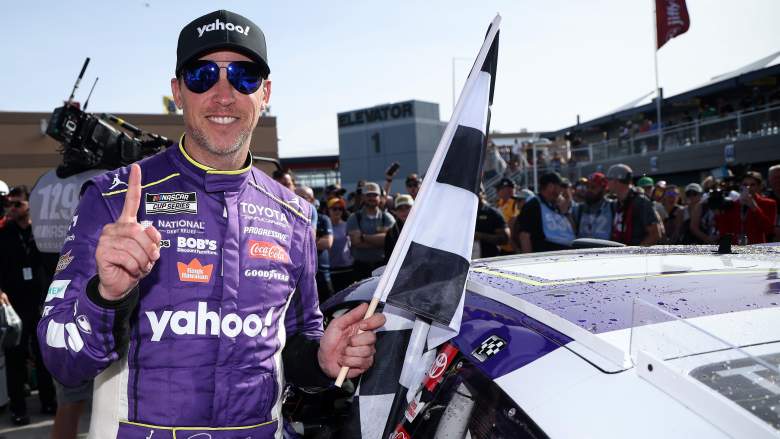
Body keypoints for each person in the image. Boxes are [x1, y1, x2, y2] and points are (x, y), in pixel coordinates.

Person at [37, 10, 384, 438]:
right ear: (178, 92)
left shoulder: (294, 214)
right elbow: (62, 362)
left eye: (244, 75)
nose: (224, 94)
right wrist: (105, 295)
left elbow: (298, 340)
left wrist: (321, 359)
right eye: (203, 75)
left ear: (266, 92)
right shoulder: (113, 198)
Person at [0, 186, 58, 425]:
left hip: (41, 301)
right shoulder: (3, 233)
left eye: (17, 204)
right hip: (14, 303)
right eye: (9, 205)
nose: (11, 209)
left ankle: (48, 401)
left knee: (44, 355)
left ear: (28, 205)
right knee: (15, 357)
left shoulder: (42, 232)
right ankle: (18, 409)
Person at [514, 172, 575, 253]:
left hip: (568, 254)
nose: (561, 191)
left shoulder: (558, 204)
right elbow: (524, 236)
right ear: (550, 186)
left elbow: (573, 231)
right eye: (559, 187)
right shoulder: (533, 205)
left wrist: (566, 213)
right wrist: (529, 259)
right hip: (548, 257)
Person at [347, 181, 395, 281]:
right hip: (360, 267)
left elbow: (389, 240)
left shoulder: (387, 218)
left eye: (374, 195)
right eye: (368, 195)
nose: (372, 198)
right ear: (363, 197)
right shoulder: (354, 217)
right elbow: (356, 242)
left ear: (380, 197)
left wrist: (363, 237)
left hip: (382, 266)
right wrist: (379, 240)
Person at [715, 171, 777, 245]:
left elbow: (769, 230)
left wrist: (754, 207)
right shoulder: (733, 204)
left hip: (758, 248)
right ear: (741, 186)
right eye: (745, 185)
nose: (748, 188)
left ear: (759, 186)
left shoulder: (769, 203)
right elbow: (724, 231)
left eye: (752, 185)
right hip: (736, 248)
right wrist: (719, 213)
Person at [606, 164, 661, 246]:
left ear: (616, 181)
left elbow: (655, 235)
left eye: (608, 179)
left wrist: (635, 254)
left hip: (634, 256)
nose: (607, 183)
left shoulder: (641, 202)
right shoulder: (617, 203)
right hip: (620, 254)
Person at [296, 186, 333, 302]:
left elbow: (327, 243)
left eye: (302, 197)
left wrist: (303, 240)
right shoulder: (289, 216)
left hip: (322, 272)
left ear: (311, 200)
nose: (298, 201)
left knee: (328, 306)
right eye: (295, 197)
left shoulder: (323, 219)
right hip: (300, 274)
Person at [573, 172, 614, 240]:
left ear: (603, 189)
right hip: (582, 249)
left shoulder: (612, 206)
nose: (589, 190)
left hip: (606, 249)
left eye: (593, 187)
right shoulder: (579, 209)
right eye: (587, 187)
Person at [326, 197, 355, 293]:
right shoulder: (325, 226)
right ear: (328, 210)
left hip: (348, 267)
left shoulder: (348, 225)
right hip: (331, 269)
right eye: (334, 208)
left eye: (340, 209)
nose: (337, 211)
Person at [474, 194, 510, 258]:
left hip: (487, 259)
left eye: (477, 191)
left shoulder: (492, 213)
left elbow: (505, 238)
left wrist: (480, 236)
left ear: (483, 194)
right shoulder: (461, 211)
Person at [494, 177, 521, 254]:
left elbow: (514, 224)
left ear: (507, 190)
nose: (497, 191)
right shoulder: (499, 202)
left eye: (499, 188)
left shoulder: (516, 203)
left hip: (513, 248)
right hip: (502, 247)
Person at [384, 194, 413, 263]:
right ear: (396, 212)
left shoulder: (424, 228)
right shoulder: (391, 233)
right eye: (400, 208)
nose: (404, 211)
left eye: (407, 207)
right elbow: (388, 258)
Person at [766, 164, 780, 241]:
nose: (777, 180)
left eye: (779, 177)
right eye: (774, 178)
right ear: (769, 180)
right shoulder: (764, 199)